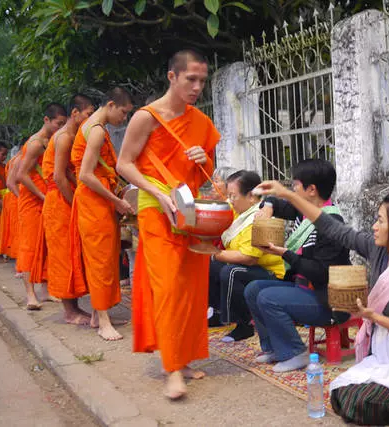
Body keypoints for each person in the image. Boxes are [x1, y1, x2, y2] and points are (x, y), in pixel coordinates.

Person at [254, 183, 389, 424]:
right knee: (340, 394)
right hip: (385, 355)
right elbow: (333, 228)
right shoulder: (379, 251)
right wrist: (287, 195)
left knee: (360, 404)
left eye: (381, 221)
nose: (374, 226)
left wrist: (375, 317)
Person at [117, 49, 220, 400]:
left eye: (202, 81)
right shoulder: (146, 117)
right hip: (155, 207)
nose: (197, 87)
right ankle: (172, 368)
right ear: (172, 77)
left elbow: (209, 171)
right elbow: (125, 164)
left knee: (192, 287)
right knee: (168, 286)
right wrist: (154, 192)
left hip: (188, 210)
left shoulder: (200, 121)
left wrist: (203, 157)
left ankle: (184, 357)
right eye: (191, 79)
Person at [243, 159, 351, 373]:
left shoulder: (332, 225)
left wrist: (286, 254)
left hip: (329, 300)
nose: (292, 190)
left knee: (268, 298)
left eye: (295, 186)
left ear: (311, 190)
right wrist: (269, 206)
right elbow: (280, 203)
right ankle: (274, 348)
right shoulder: (306, 212)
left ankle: (294, 352)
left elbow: (322, 274)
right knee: (253, 289)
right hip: (305, 290)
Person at [68, 87, 134, 340]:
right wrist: (116, 201)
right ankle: (104, 321)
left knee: (106, 259)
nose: (124, 119)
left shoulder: (96, 127)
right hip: (93, 201)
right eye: (124, 112)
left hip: (99, 200)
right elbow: (85, 175)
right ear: (110, 105)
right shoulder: (95, 131)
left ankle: (99, 314)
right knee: (99, 261)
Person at [208, 170, 285, 342]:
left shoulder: (259, 217)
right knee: (209, 266)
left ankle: (243, 325)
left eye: (233, 196)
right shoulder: (240, 211)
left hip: (269, 273)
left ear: (251, 196)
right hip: (250, 269)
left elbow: (249, 258)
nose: (230, 200)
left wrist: (216, 254)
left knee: (231, 272)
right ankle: (218, 313)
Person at [42, 94, 95, 325]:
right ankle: (69, 312)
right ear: (75, 114)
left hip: (66, 196)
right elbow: (59, 177)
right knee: (63, 255)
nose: (90, 118)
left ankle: (75, 307)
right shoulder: (63, 137)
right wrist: (75, 204)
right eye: (88, 114)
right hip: (59, 200)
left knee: (73, 252)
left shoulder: (75, 135)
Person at [16, 103, 67, 310]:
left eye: (63, 124)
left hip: (45, 199)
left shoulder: (51, 141)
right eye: (58, 123)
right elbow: (21, 175)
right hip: (32, 201)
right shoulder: (36, 143)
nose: (60, 127)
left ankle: (46, 291)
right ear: (46, 120)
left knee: (46, 245)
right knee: (29, 246)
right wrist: (42, 195)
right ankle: (30, 295)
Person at [0, 150, 21, 259]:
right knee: (16, 227)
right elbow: (11, 182)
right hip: (16, 195)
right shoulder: (18, 160)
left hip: (11, 196)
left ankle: (13, 253)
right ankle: (18, 255)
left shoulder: (11, 161)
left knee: (12, 227)